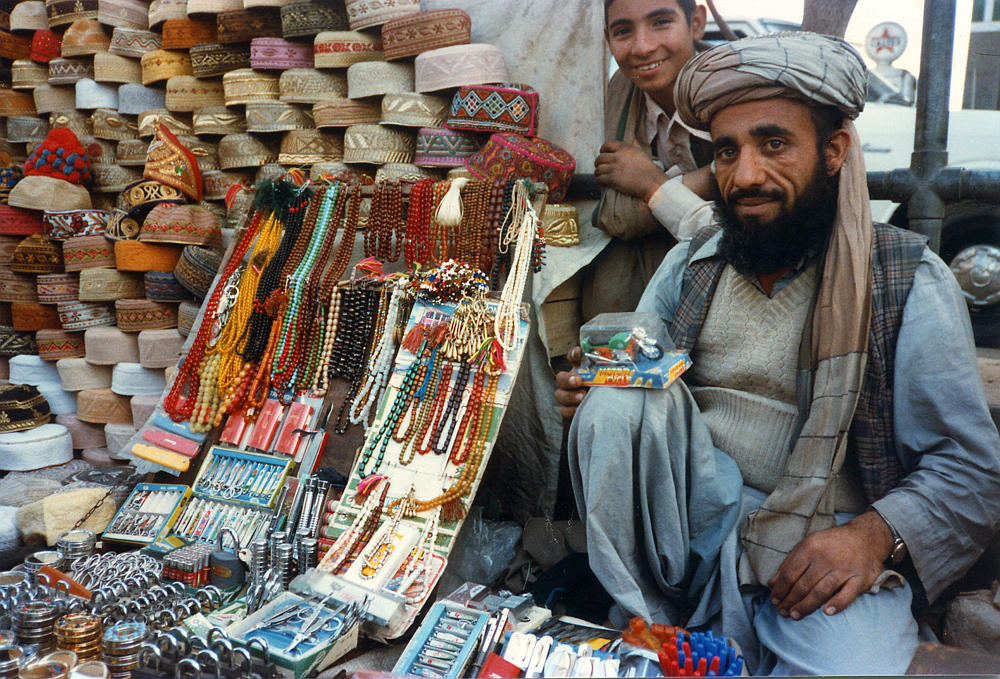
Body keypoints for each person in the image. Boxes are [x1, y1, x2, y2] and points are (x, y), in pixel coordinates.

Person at [562, 32, 1000, 675]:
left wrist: (870, 538)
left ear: (833, 151)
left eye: (774, 145)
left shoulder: (907, 279)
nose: (745, 176)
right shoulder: (694, 263)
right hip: (689, 529)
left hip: (822, 538)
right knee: (615, 404)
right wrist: (593, 383)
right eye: (728, 152)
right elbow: (629, 371)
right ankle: (645, 623)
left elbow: (968, 466)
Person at [582, 0, 715, 321]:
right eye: (624, 31)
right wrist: (706, 180)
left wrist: (650, 183)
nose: (641, 47)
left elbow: (740, 209)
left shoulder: (734, 92)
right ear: (607, 38)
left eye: (661, 23)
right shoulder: (620, 91)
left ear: (696, 23)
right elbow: (618, 217)